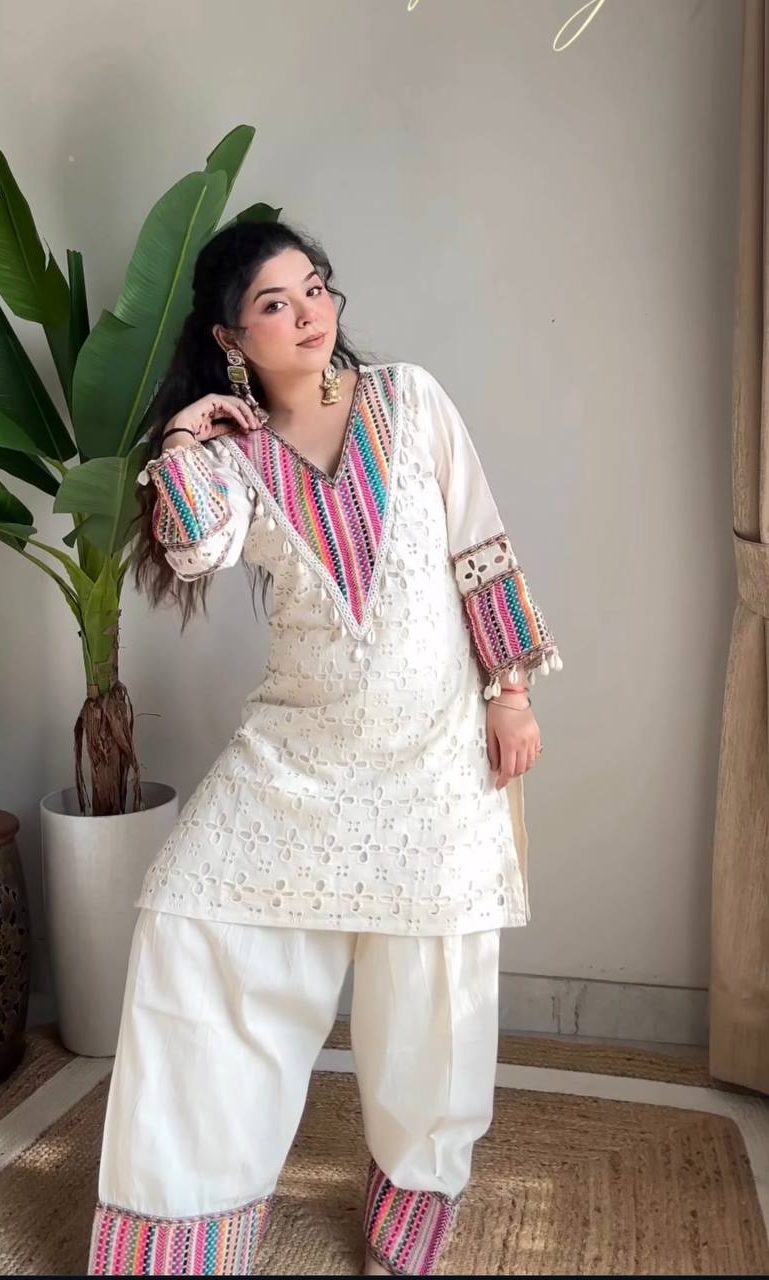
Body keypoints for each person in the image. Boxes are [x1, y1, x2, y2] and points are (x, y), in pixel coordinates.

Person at [86, 219, 562, 1276]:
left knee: (431, 993)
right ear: (229, 337)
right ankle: (186, 1219)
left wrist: (512, 691)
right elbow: (195, 548)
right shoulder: (231, 458)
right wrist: (183, 445)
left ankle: (414, 1196)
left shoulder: (410, 400)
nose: (308, 314)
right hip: (296, 755)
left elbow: (480, 547)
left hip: (434, 754)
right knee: (193, 926)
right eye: (275, 303)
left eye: (316, 288)